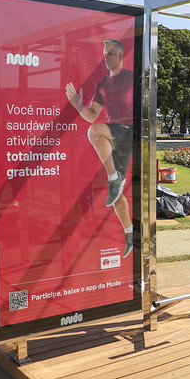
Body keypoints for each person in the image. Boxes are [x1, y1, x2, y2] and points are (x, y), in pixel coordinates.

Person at [65, 39, 134, 258]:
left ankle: (113, 178)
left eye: (110, 53)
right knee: (117, 196)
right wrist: (77, 104)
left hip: (130, 131)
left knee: (95, 132)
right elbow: (91, 116)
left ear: (121, 55)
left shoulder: (132, 77)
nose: (106, 57)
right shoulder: (102, 84)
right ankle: (130, 233)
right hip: (115, 132)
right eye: (104, 54)